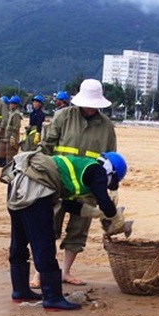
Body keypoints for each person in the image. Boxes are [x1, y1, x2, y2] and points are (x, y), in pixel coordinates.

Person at [3, 149, 129, 311]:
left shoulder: (76, 170)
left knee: (19, 240)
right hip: (35, 188)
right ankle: (53, 298)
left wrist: (96, 213)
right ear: (110, 171)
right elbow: (104, 200)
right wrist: (113, 216)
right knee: (44, 243)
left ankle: (20, 291)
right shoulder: (97, 170)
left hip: (19, 183)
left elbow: (67, 205)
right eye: (110, 182)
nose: (106, 184)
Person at [39, 79, 118, 286]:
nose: (90, 108)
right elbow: (46, 147)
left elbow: (109, 160)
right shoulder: (63, 117)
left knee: (78, 231)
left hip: (87, 188)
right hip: (58, 183)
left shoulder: (107, 127)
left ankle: (65, 272)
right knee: (47, 228)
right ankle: (40, 273)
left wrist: (108, 189)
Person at [3, 95, 24, 163]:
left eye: (12, 103)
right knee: (8, 154)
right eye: (10, 103)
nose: (10, 105)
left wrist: (12, 137)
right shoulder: (11, 113)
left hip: (13, 138)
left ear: (16, 105)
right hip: (8, 137)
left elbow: (16, 127)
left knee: (11, 155)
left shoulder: (16, 114)